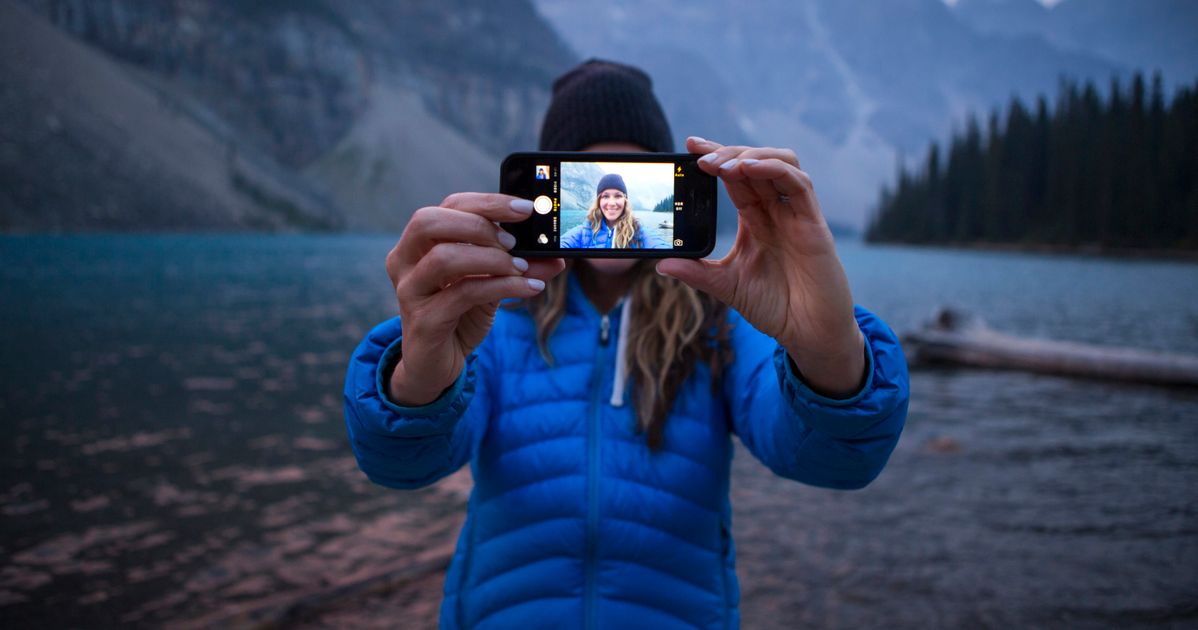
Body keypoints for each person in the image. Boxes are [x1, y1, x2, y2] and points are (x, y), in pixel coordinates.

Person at [344, 59, 908, 629]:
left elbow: (835, 464)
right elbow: (401, 466)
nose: (613, 200)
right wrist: (418, 373)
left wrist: (830, 351)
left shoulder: (722, 323)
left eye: (629, 182)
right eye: (590, 178)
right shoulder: (492, 312)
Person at [560, 172, 669, 249]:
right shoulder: (583, 231)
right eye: (605, 196)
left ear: (625, 200)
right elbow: (562, 244)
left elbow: (660, 245)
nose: (611, 203)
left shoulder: (638, 231)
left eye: (618, 196)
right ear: (599, 201)